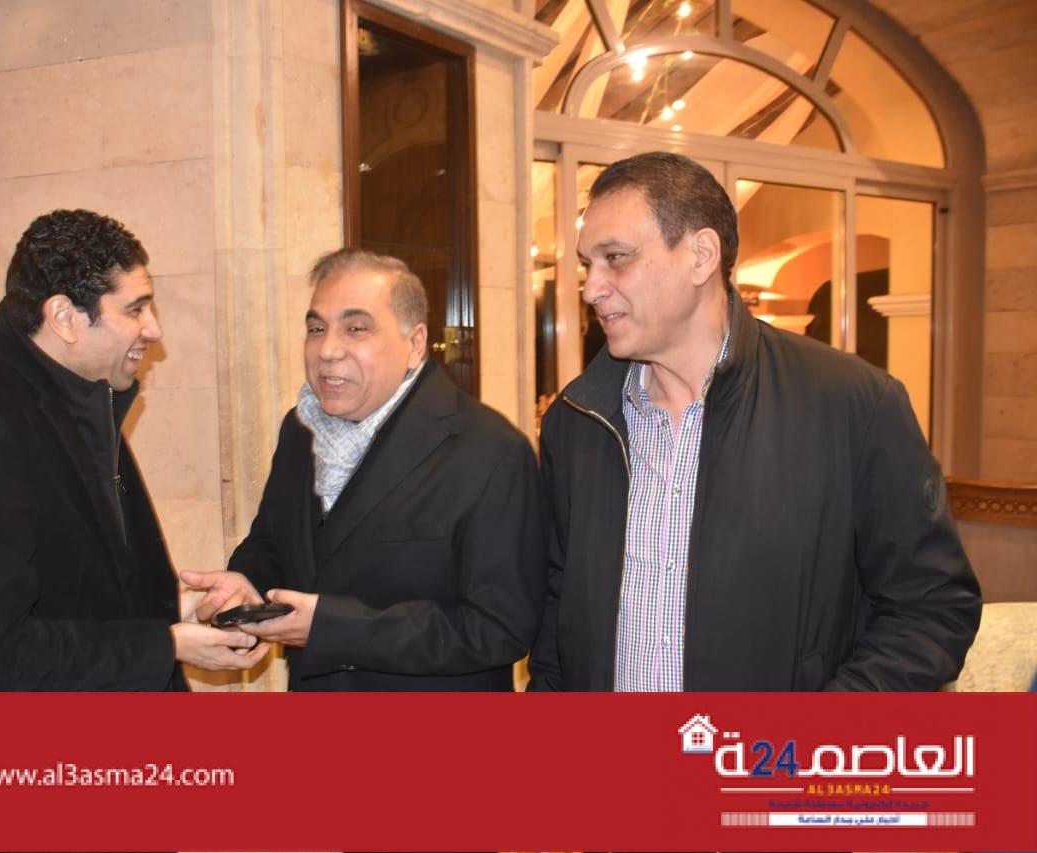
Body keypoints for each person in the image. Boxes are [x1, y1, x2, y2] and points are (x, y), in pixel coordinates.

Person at [527, 152, 981, 692]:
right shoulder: (577, 421)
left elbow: (931, 609)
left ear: (701, 256)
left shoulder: (852, 405)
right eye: (588, 264)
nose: (591, 289)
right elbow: (557, 612)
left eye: (616, 258)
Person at [0, 209, 268, 690]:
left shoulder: (82, 400)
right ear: (64, 318)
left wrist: (181, 612)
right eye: (135, 310)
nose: (154, 329)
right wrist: (166, 645)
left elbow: (78, 593)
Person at [184, 248, 546, 690]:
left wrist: (333, 629)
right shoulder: (301, 429)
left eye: (356, 328)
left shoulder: (489, 450)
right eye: (316, 328)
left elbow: (499, 629)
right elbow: (274, 543)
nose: (327, 350)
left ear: (414, 344)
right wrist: (246, 585)